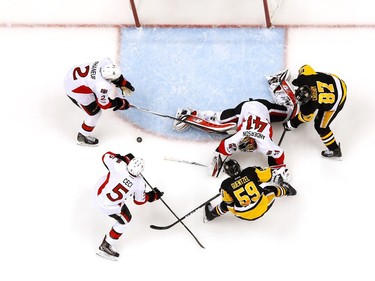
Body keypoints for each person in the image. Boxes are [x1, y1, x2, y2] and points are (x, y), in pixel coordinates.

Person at [174, 97, 295, 177]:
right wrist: (279, 169)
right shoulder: (240, 138)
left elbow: (279, 153)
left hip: (262, 107)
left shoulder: (264, 143)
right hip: (252, 110)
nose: (250, 151)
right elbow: (223, 147)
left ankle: (278, 84)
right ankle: (190, 113)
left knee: (291, 112)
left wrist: (216, 167)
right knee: (219, 121)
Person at [93, 151, 163, 260]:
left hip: (97, 195)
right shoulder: (140, 182)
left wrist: (122, 158)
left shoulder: (119, 165)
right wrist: (153, 196)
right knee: (126, 221)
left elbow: (105, 156)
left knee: (109, 178)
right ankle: (106, 245)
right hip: (109, 207)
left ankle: (107, 244)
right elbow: (139, 201)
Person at [64, 57, 135, 146]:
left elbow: (113, 75)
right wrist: (119, 103)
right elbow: (104, 105)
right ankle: (83, 136)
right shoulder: (102, 85)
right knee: (95, 113)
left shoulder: (105, 62)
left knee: (94, 91)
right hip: (73, 88)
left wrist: (123, 83)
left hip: (72, 75)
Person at [283, 64, 347, 160]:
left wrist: (292, 123)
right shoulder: (304, 79)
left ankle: (334, 150)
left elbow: (305, 118)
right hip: (338, 82)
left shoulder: (309, 106)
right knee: (319, 77)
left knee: (320, 126)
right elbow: (306, 68)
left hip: (338, 100)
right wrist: (299, 81)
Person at [203, 159, 296, 222]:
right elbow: (268, 176)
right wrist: (258, 171)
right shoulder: (250, 171)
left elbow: (228, 201)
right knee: (270, 190)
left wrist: (224, 191)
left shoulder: (225, 184)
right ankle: (287, 190)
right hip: (262, 207)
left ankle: (211, 215)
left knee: (226, 205)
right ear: (239, 167)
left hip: (243, 215)